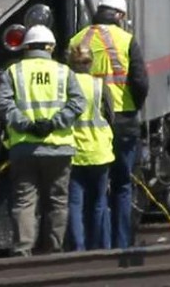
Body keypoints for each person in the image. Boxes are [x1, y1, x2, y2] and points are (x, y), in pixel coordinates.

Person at [66, 0, 148, 249]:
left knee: (89, 191)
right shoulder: (126, 39)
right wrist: (133, 106)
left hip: (86, 126)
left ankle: (91, 247)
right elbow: (140, 82)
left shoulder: (77, 40)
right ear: (120, 16)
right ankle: (120, 244)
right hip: (123, 121)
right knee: (122, 185)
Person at [0, 25, 84, 256]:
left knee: (24, 202)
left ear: (25, 47)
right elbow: (77, 103)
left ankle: (23, 250)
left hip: (24, 147)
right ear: (50, 47)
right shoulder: (65, 72)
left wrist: (27, 125)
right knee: (57, 201)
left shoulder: (13, 72)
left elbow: (4, 105)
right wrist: (54, 123)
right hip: (58, 147)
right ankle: (54, 249)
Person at [65, 42, 114, 251]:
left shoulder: (65, 84)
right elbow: (111, 116)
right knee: (98, 203)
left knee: (75, 203)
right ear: (91, 62)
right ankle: (97, 246)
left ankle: (78, 248)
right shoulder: (99, 85)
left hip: (74, 151)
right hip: (99, 152)